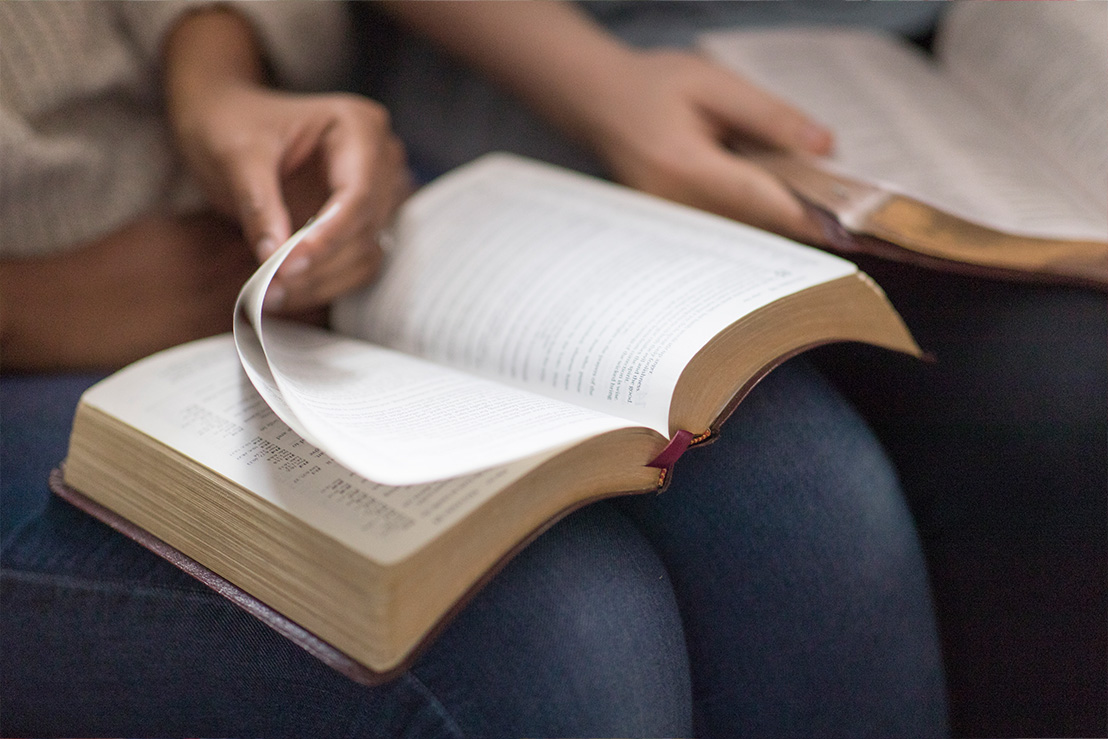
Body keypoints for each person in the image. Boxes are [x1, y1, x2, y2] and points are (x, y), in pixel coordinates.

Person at [0, 2, 947, 736]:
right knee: (560, 632)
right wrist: (28, 307)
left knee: (798, 490)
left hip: (238, 232)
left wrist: (218, 82)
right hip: (49, 328)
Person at [367, 1, 1107, 735]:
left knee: (1074, 398)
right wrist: (602, 89)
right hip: (571, 91)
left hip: (943, 80)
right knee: (803, 499)